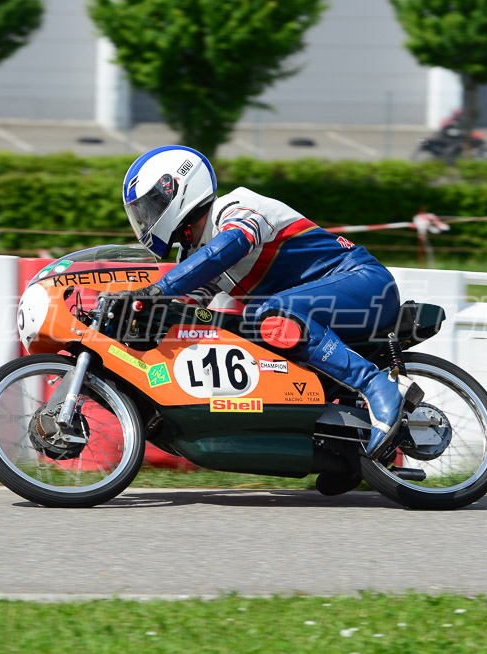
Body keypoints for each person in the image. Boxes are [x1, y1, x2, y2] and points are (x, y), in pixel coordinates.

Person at [120, 145, 422, 461]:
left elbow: (228, 247)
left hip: (365, 283)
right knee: (253, 337)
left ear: (175, 190)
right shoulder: (192, 256)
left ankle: (376, 384)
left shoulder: (235, 207)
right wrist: (137, 319)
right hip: (309, 316)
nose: (145, 218)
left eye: (149, 207)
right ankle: (344, 458)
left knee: (272, 314)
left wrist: (159, 289)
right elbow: (185, 311)